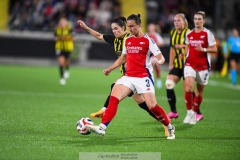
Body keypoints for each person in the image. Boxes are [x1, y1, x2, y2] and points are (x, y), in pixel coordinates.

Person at [86, 14, 175, 140]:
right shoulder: (128, 40)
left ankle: (169, 126)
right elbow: (123, 58)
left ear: (139, 25)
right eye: (129, 27)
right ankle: (102, 127)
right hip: (128, 76)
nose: (130, 29)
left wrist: (158, 62)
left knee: (152, 106)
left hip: (144, 77)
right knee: (114, 95)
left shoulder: (148, 40)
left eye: (133, 26)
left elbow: (161, 58)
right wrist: (110, 69)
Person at [77, 17, 159, 122]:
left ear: (123, 28)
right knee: (143, 104)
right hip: (128, 76)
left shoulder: (130, 38)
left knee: (115, 86)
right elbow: (98, 36)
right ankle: (164, 121)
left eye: (116, 28)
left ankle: (104, 111)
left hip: (136, 74)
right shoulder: (114, 39)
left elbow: (140, 50)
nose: (114, 31)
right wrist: (85, 27)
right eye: (113, 29)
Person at [166, 13, 204, 121]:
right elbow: (172, 49)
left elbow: (193, 46)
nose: (176, 23)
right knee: (169, 84)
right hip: (178, 65)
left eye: (179, 21)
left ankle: (197, 113)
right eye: (175, 21)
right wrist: (170, 63)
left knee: (188, 89)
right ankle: (173, 112)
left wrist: (183, 48)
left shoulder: (189, 33)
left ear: (184, 22)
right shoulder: (173, 33)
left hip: (188, 65)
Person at [182, 11, 217, 124]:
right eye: (195, 19)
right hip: (190, 64)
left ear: (204, 21)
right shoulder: (189, 34)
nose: (197, 21)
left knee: (199, 92)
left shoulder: (208, 34)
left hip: (203, 66)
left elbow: (215, 49)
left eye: (199, 19)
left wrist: (204, 49)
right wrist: (184, 54)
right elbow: (188, 46)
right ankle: (189, 113)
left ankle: (194, 112)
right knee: (188, 88)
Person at [54, 17, 74, 85]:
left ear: (66, 23)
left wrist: (65, 38)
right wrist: (59, 38)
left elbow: (73, 38)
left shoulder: (69, 29)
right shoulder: (57, 29)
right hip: (59, 48)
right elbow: (55, 38)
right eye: (61, 23)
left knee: (67, 61)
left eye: (63, 23)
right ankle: (62, 78)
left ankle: (67, 70)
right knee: (61, 61)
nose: (62, 24)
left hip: (68, 48)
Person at [147, 23, 164, 89]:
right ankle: (149, 81)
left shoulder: (156, 35)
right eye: (150, 27)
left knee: (157, 67)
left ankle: (158, 80)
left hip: (155, 56)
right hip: (148, 56)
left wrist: (154, 44)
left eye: (152, 27)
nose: (151, 29)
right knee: (148, 69)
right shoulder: (147, 35)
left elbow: (161, 43)